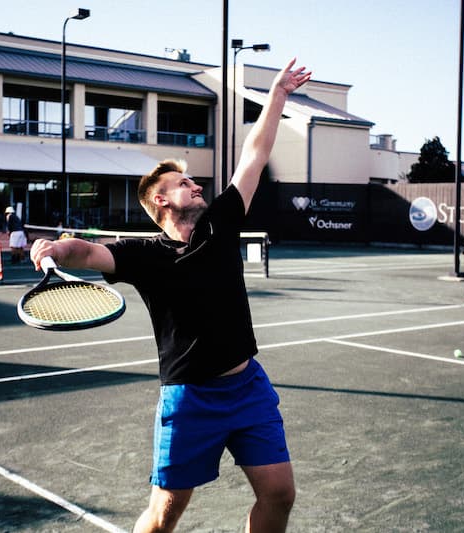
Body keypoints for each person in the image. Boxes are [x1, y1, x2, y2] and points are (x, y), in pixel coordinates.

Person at [31, 58, 311, 532]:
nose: (195, 184)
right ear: (160, 200)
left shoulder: (221, 224)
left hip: (247, 387)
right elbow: (86, 251)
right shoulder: (144, 256)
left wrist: (279, 94)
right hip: (190, 399)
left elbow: (254, 154)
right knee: (164, 516)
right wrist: (53, 247)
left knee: (280, 494)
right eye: (183, 183)